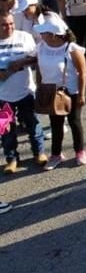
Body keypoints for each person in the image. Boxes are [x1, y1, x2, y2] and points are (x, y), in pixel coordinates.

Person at [35, 15, 86, 170]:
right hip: (51, 92)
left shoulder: (71, 48)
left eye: (43, 32)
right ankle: (56, 155)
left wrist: (82, 94)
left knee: (74, 122)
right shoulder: (41, 47)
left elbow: (82, 72)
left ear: (52, 34)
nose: (41, 35)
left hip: (70, 92)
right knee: (55, 125)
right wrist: (40, 87)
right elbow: (38, 68)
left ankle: (80, 152)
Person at [0, 12, 45, 172]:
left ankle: (39, 152)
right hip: (3, 97)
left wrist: (22, 62)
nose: (9, 27)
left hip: (26, 92)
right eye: (4, 25)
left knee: (33, 123)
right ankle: (11, 159)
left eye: (11, 23)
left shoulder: (24, 37)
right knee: (6, 129)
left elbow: (36, 58)